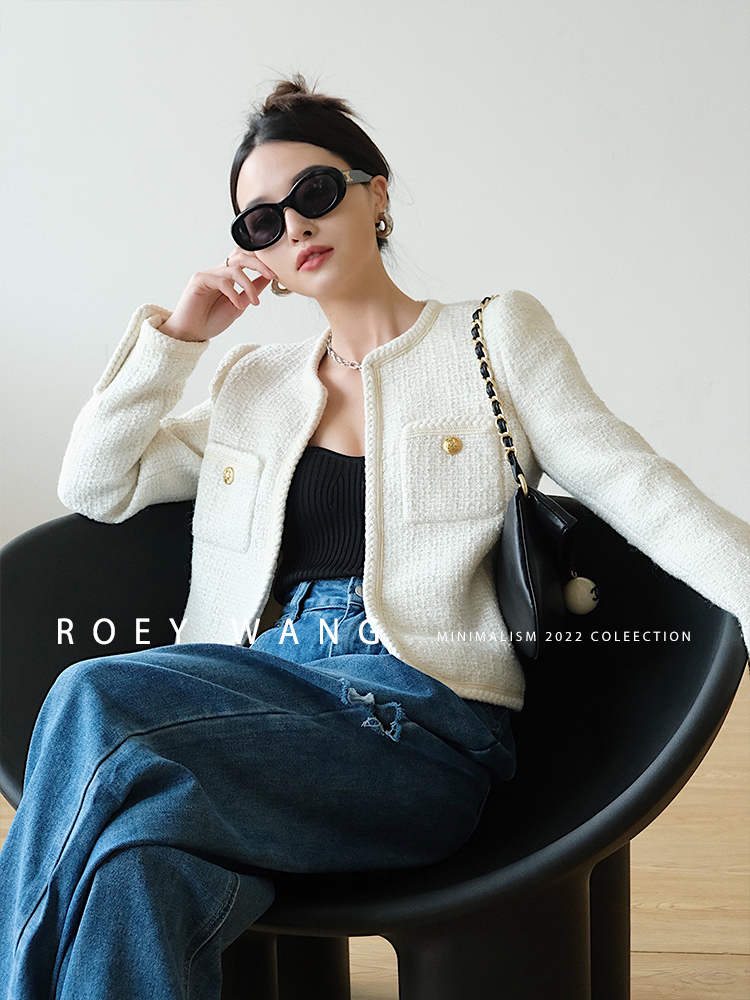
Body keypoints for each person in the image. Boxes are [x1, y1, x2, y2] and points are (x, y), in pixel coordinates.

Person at [1, 72, 748, 1000]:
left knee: (92, 695)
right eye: (261, 222)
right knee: (134, 864)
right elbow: (97, 483)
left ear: (376, 195)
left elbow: (639, 487)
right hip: (255, 710)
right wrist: (180, 338)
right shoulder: (254, 384)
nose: (295, 226)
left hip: (416, 727)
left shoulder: (491, 338)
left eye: (314, 193)